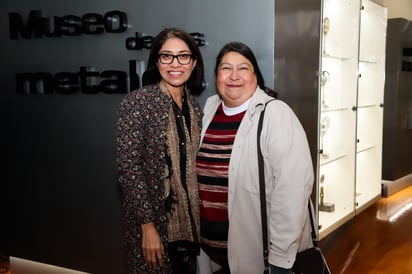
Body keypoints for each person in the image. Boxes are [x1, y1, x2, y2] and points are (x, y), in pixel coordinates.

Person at [196, 42, 314, 274]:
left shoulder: (275, 114)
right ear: (216, 75)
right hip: (213, 255)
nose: (233, 76)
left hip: (260, 258)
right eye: (225, 68)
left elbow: (292, 190)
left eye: (243, 68)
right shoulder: (209, 111)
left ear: (256, 76)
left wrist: (280, 258)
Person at [116, 27, 204, 274]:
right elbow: (128, 169)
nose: (175, 64)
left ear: (194, 62)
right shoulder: (138, 102)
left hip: (190, 229)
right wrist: (147, 226)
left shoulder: (194, 107)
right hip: (154, 227)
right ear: (156, 61)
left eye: (183, 56)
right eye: (167, 56)